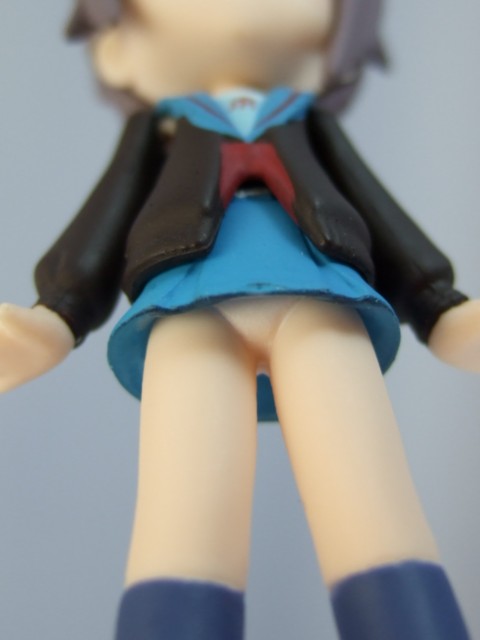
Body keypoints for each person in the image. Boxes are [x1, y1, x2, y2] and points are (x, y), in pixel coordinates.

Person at [1, 1, 479, 638]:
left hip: (322, 296)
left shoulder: (305, 120)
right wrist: (57, 313)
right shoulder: (162, 127)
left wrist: (438, 304)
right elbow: (105, 213)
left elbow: (377, 206)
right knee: (184, 521)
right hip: (185, 305)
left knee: (371, 504)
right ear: (117, 47)